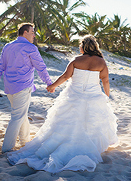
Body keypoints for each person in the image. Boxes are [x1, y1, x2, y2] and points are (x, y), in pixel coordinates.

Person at [7, 35, 118, 173]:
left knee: (67, 122)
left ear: (83, 46)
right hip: (93, 96)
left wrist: (52, 86)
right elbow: (105, 81)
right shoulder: (101, 62)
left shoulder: (76, 60)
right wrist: (106, 95)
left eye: (80, 45)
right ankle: (89, 145)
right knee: (91, 121)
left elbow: (65, 76)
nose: (79, 47)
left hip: (74, 95)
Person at [0, 23, 54, 153]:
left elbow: (0, 66)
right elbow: (40, 67)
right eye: (32, 32)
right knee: (17, 116)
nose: (34, 35)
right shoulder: (30, 47)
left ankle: (25, 141)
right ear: (25, 32)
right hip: (23, 87)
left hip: (9, 87)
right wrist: (48, 82)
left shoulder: (8, 46)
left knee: (21, 114)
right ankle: (7, 148)